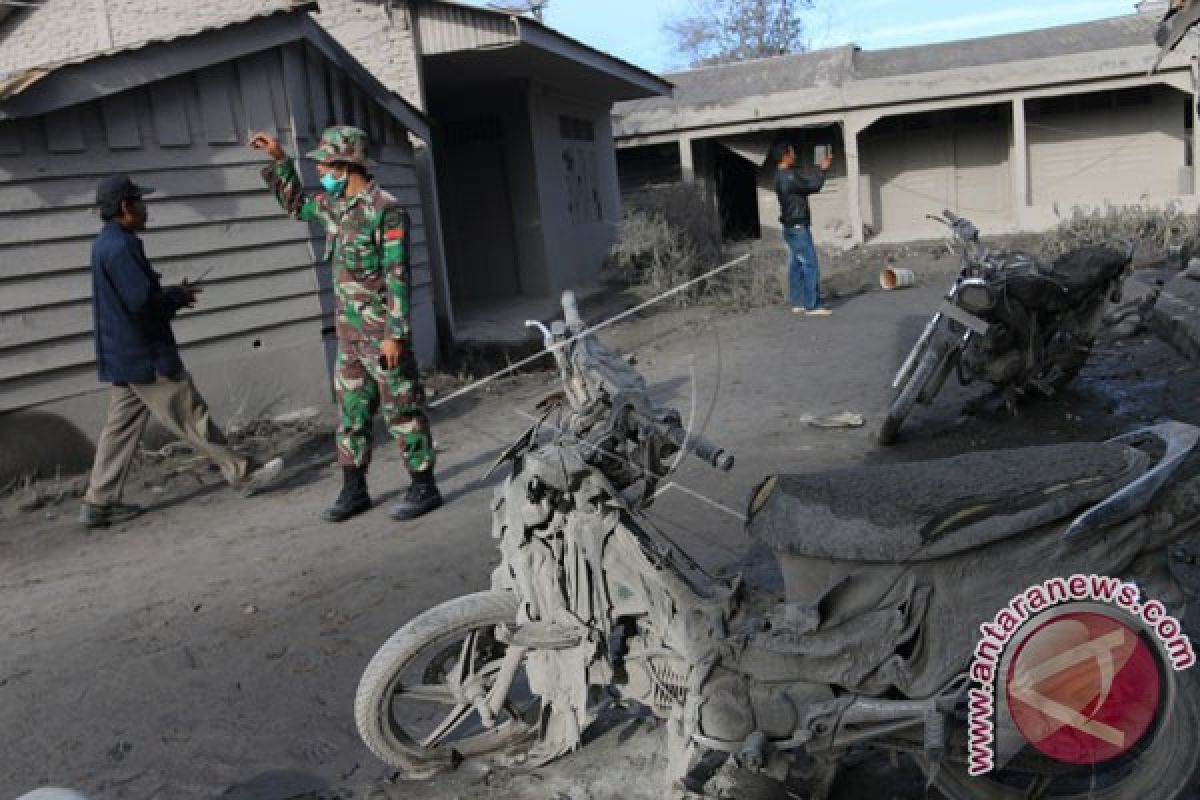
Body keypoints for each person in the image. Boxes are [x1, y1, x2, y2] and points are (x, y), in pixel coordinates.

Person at [250, 126, 442, 523]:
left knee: (402, 410)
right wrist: (279, 160)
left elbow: (397, 276)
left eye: (324, 164)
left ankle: (424, 485)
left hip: (382, 335)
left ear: (346, 165)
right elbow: (295, 204)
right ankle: (354, 489)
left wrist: (396, 335)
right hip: (350, 336)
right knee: (351, 415)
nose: (320, 171)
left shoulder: (385, 209)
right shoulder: (334, 206)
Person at [80, 175, 284, 529]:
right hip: (147, 355)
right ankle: (243, 472)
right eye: (140, 202)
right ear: (125, 208)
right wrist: (177, 297)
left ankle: (99, 503)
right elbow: (142, 302)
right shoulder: (124, 246)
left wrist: (172, 294)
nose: (146, 208)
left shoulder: (103, 245)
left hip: (122, 355)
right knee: (191, 415)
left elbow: (133, 298)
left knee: (120, 430)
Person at [774, 143, 834, 316]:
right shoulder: (790, 177)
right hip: (798, 226)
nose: (795, 155)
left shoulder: (779, 176)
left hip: (789, 226)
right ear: (785, 156)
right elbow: (812, 185)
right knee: (810, 264)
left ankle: (798, 302)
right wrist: (822, 170)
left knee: (796, 264)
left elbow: (804, 185)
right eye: (792, 152)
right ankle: (812, 305)